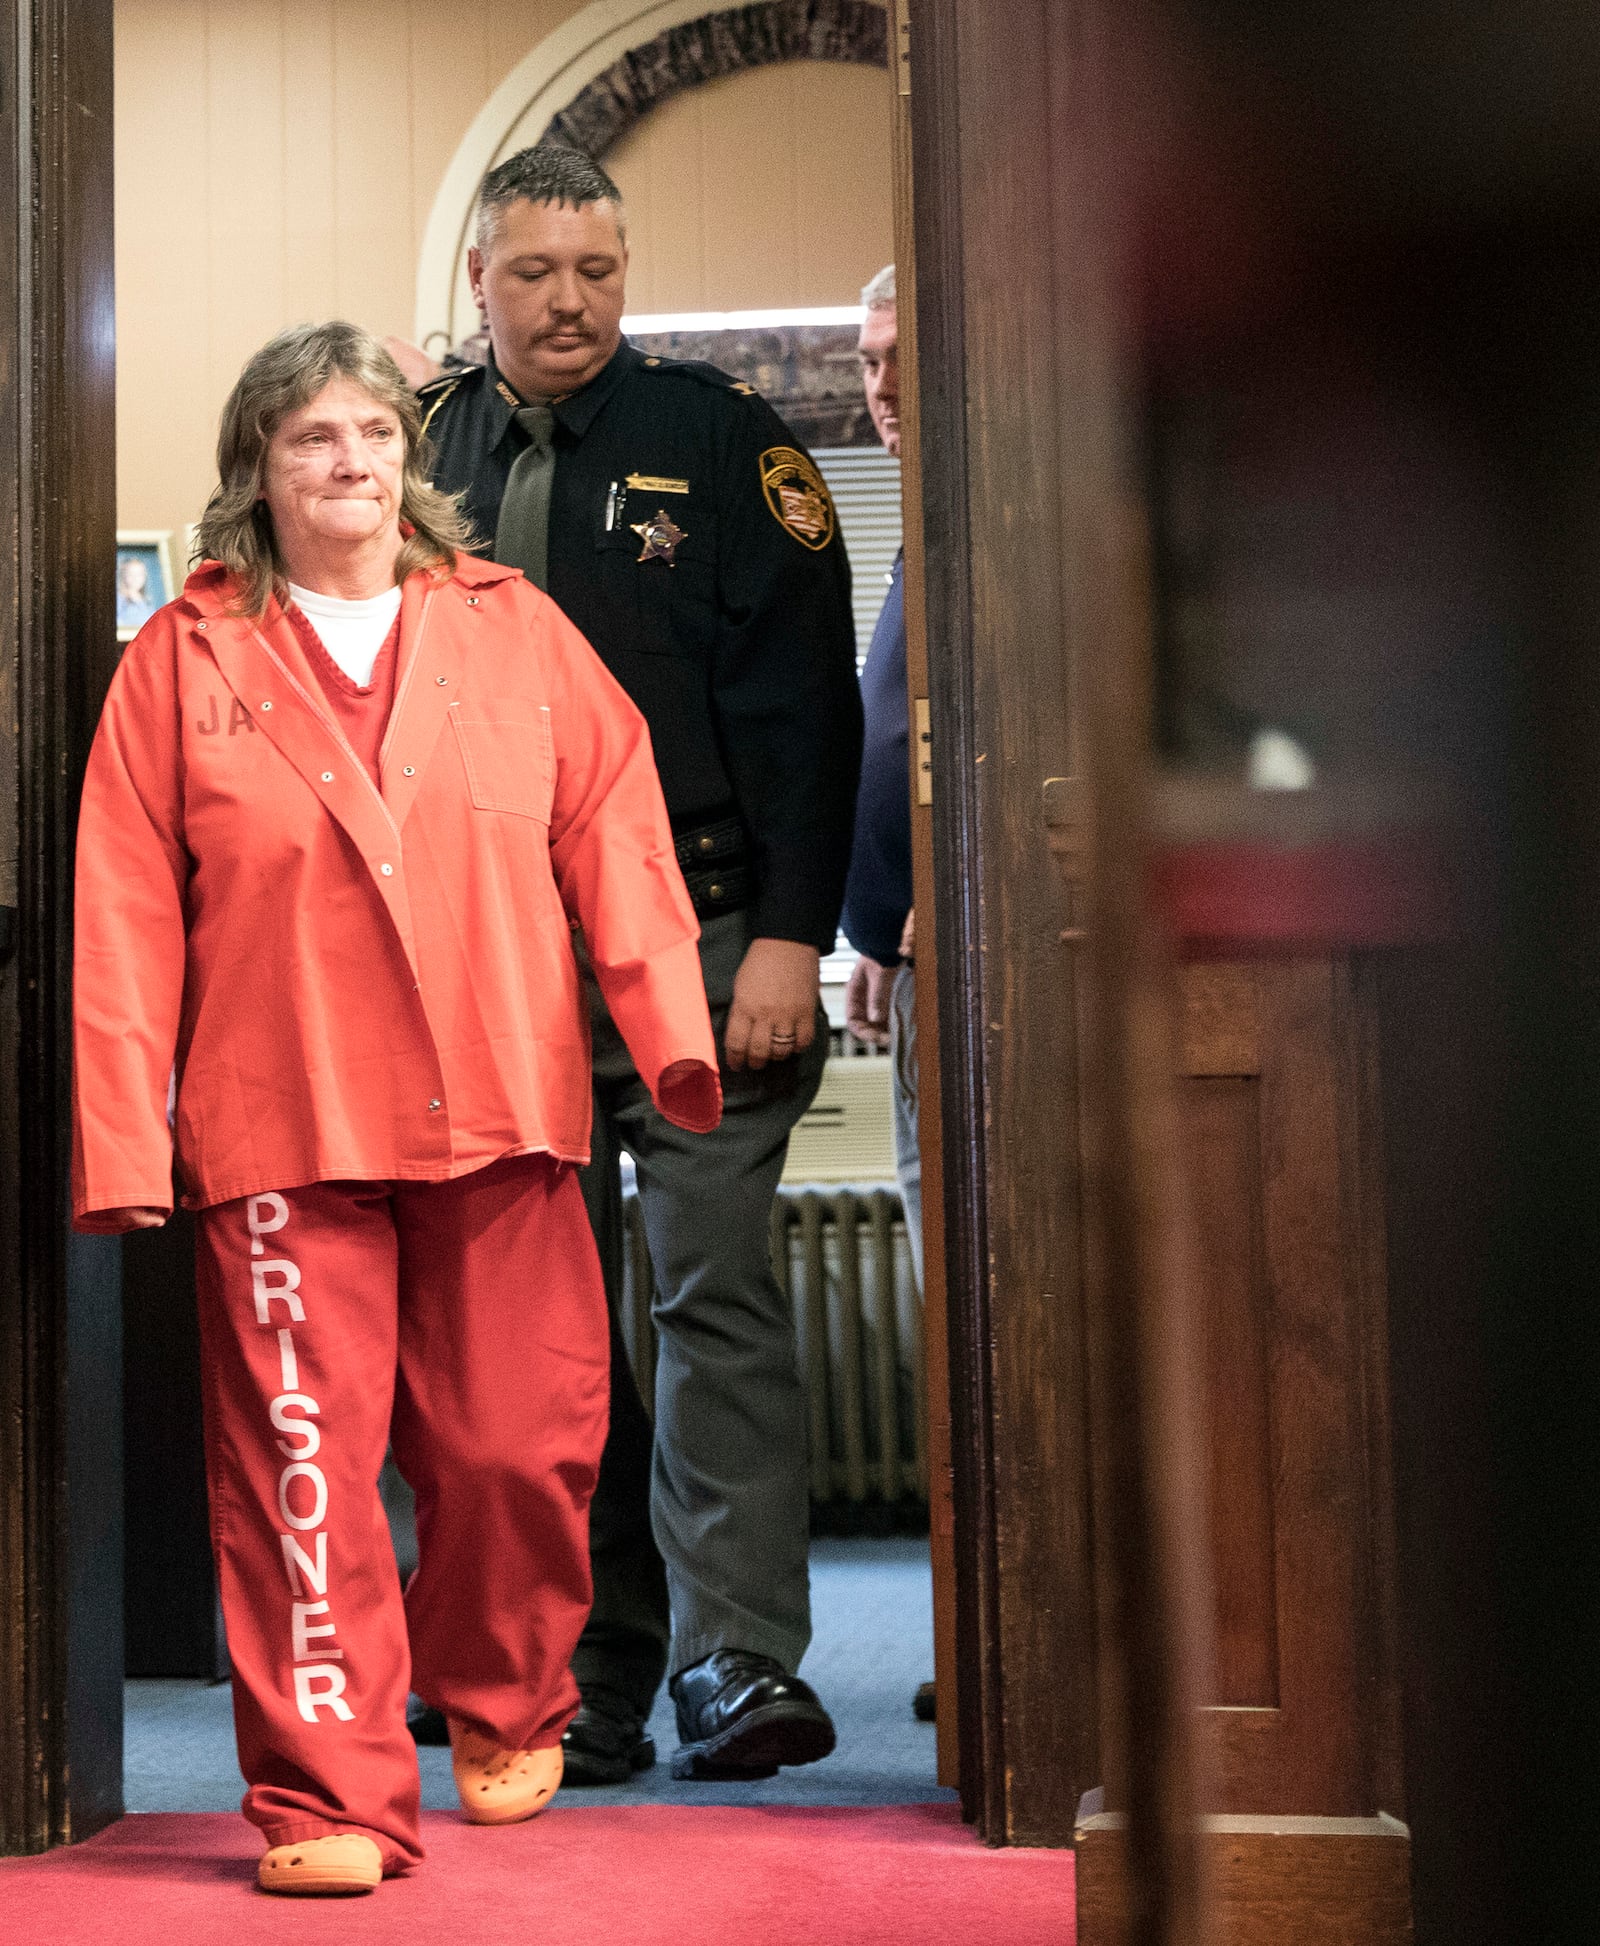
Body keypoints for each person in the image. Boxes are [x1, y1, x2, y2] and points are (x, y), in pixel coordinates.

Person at [71, 321, 720, 1895]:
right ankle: (325, 1794)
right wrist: (119, 1136)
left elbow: (618, 834)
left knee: (517, 1446)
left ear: (407, 462)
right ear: (259, 471)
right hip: (280, 1120)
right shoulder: (183, 660)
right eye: (310, 439)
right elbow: (123, 911)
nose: (347, 462)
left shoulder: (516, 632)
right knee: (306, 1469)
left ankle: (506, 1695)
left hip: (501, 1107)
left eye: (370, 433)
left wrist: (671, 1031)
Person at [417, 143, 863, 1784]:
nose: (571, 301)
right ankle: (573, 1667)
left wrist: (792, 943)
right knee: (531, 1328)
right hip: (490, 959)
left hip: (704, 934)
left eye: (598, 270)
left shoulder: (724, 446)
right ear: (481, 278)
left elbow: (813, 716)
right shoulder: (415, 457)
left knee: (711, 1291)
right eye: (537, 271)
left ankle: (733, 1657)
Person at [841, 266, 920, 1290]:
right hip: (906, 952)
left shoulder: (992, 524)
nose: (883, 384)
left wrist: (929, 907)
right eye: (867, 362)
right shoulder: (917, 529)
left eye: (904, 356)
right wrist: (876, 928)